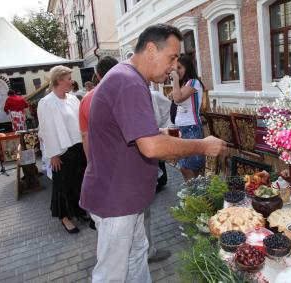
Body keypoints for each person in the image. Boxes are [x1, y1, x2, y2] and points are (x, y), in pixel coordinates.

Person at [79, 24, 226, 283]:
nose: (173, 66)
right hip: (116, 200)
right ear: (150, 49)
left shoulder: (128, 77)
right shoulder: (128, 82)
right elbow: (151, 146)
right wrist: (203, 145)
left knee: (136, 258)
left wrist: (160, 134)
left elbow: (135, 133)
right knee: (111, 274)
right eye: (171, 57)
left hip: (126, 198)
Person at [37, 65, 88, 234]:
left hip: (78, 147)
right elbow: (46, 130)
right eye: (68, 78)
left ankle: (78, 211)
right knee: (62, 186)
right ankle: (64, 217)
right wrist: (52, 154)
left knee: (78, 182)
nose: (72, 81)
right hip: (61, 151)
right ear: (59, 80)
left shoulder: (73, 98)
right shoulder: (46, 102)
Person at [171, 54, 206, 181]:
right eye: (175, 68)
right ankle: (192, 197)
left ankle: (196, 197)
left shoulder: (193, 82)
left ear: (188, 68)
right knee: (184, 167)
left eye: (179, 68)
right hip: (182, 129)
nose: (176, 71)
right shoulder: (185, 84)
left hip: (191, 128)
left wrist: (175, 79)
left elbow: (177, 98)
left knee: (190, 168)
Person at [79, 56, 118, 158]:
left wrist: (89, 161)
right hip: (130, 158)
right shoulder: (128, 92)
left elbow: (85, 135)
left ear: (98, 76)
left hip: (101, 157)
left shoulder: (85, 99)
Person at [150, 85, 172, 191]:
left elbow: (166, 109)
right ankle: (160, 181)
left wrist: (162, 126)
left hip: (159, 125)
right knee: (156, 156)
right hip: (155, 126)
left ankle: (161, 180)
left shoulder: (154, 95)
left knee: (157, 155)